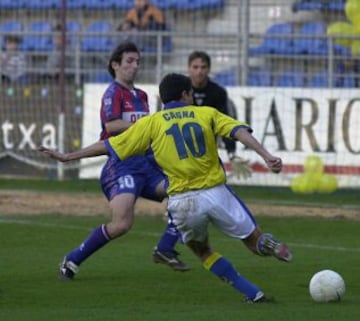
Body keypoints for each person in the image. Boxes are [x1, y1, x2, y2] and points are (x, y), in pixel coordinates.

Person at [39, 73, 293, 302]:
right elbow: (237, 131)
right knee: (253, 240)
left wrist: (68, 156)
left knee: (203, 251)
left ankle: (253, 293)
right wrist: (266, 154)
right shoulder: (207, 114)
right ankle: (267, 245)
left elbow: (109, 145)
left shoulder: (153, 123)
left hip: (182, 201)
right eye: (191, 93)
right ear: (186, 94)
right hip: (216, 193)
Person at [52, 42, 189, 280]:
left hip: (146, 165)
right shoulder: (113, 93)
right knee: (122, 224)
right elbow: (112, 126)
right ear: (115, 65)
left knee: (183, 194)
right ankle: (73, 258)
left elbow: (148, 134)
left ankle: (165, 248)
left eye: (137, 61)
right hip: (121, 165)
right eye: (129, 61)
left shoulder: (142, 96)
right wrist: (146, 125)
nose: (135, 66)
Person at [187, 50, 252, 179]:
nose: (199, 71)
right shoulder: (180, 90)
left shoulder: (218, 92)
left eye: (203, 67)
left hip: (208, 152)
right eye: (195, 67)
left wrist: (232, 154)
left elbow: (226, 123)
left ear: (209, 69)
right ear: (188, 68)